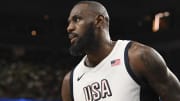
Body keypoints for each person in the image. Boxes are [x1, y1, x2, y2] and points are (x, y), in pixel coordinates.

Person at [61, 1, 180, 101]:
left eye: (76, 19)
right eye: (69, 22)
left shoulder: (138, 57)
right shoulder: (69, 82)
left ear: (99, 21)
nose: (69, 27)